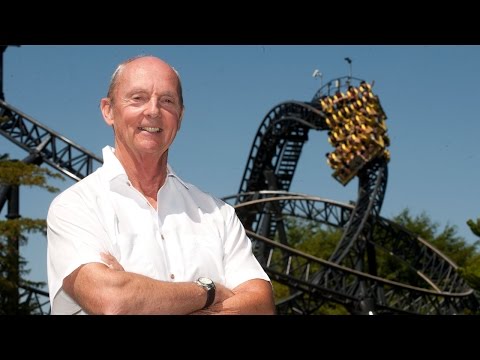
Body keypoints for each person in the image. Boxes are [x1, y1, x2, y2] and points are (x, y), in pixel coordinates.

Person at [46, 55, 276, 315]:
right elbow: (112, 300)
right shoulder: (75, 205)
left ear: (180, 116)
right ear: (108, 110)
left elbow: (261, 305)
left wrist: (143, 296)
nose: (153, 111)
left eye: (167, 101)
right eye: (137, 98)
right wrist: (209, 291)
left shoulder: (218, 214)